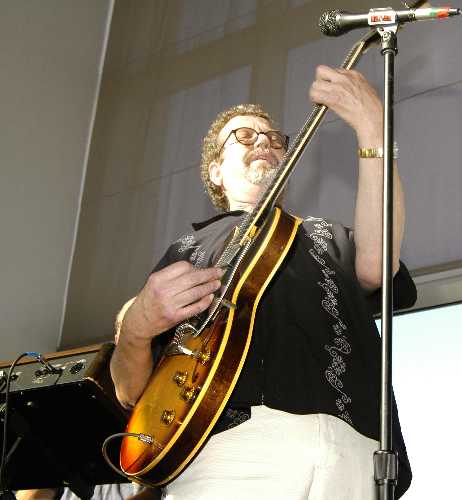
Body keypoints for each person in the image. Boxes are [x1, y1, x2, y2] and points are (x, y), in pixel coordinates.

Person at [110, 65, 416, 500]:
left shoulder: (325, 233)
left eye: (274, 139)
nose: (265, 144)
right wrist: (136, 328)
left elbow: (377, 264)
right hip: (231, 452)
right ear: (215, 171)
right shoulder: (186, 250)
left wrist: (373, 130)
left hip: (355, 450)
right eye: (244, 136)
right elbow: (131, 392)